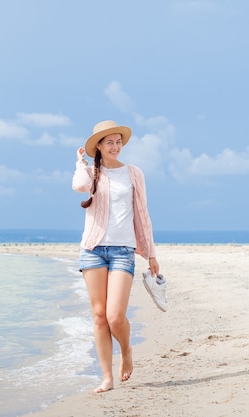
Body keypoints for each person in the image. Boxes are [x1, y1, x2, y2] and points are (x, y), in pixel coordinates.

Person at [72, 120, 160, 393]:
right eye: (109, 142)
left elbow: (143, 214)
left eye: (118, 141)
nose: (115, 146)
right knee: (99, 316)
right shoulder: (90, 172)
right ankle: (107, 377)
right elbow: (79, 187)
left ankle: (126, 351)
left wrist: (151, 254)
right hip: (93, 250)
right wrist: (80, 164)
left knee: (115, 316)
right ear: (98, 146)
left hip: (123, 250)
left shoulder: (133, 173)